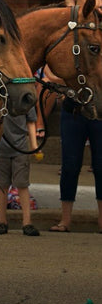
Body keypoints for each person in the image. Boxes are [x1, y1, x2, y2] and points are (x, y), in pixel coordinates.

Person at [49, 95, 102, 233]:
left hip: (99, 110)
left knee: (101, 166)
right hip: (73, 111)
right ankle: (65, 220)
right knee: (70, 165)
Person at [0, 108, 40, 236]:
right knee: (2, 185)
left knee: (22, 185)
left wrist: (34, 145)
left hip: (20, 148)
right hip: (1, 148)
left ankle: (27, 222)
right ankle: (2, 221)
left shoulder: (25, 100)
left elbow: (31, 121)